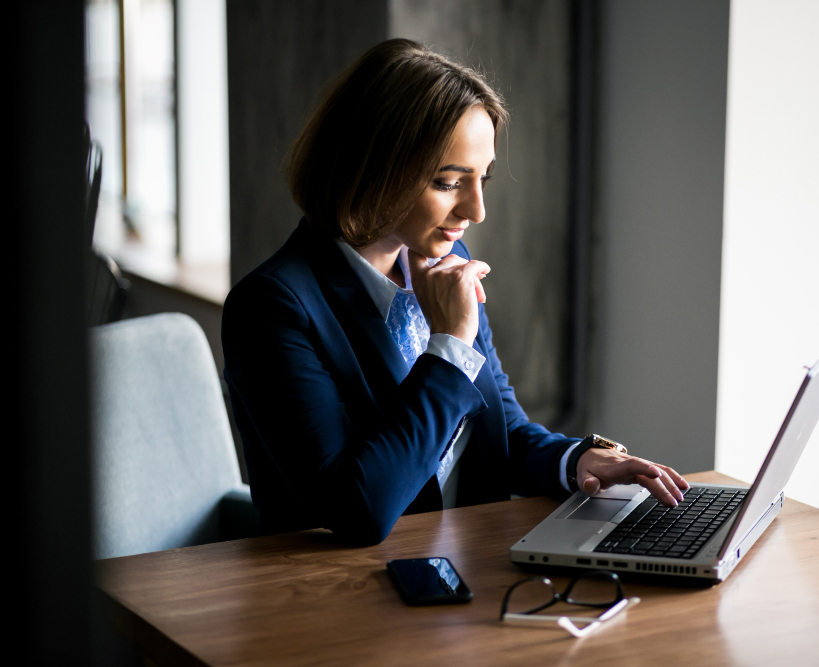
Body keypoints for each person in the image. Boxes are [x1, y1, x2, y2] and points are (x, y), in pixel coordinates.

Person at [222, 39, 689, 544]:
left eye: (482, 179)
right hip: (344, 592)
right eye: (448, 182)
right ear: (373, 168)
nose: (476, 211)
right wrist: (449, 345)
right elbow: (355, 507)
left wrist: (576, 459)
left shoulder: (449, 265)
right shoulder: (272, 308)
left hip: (471, 562)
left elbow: (498, 429)